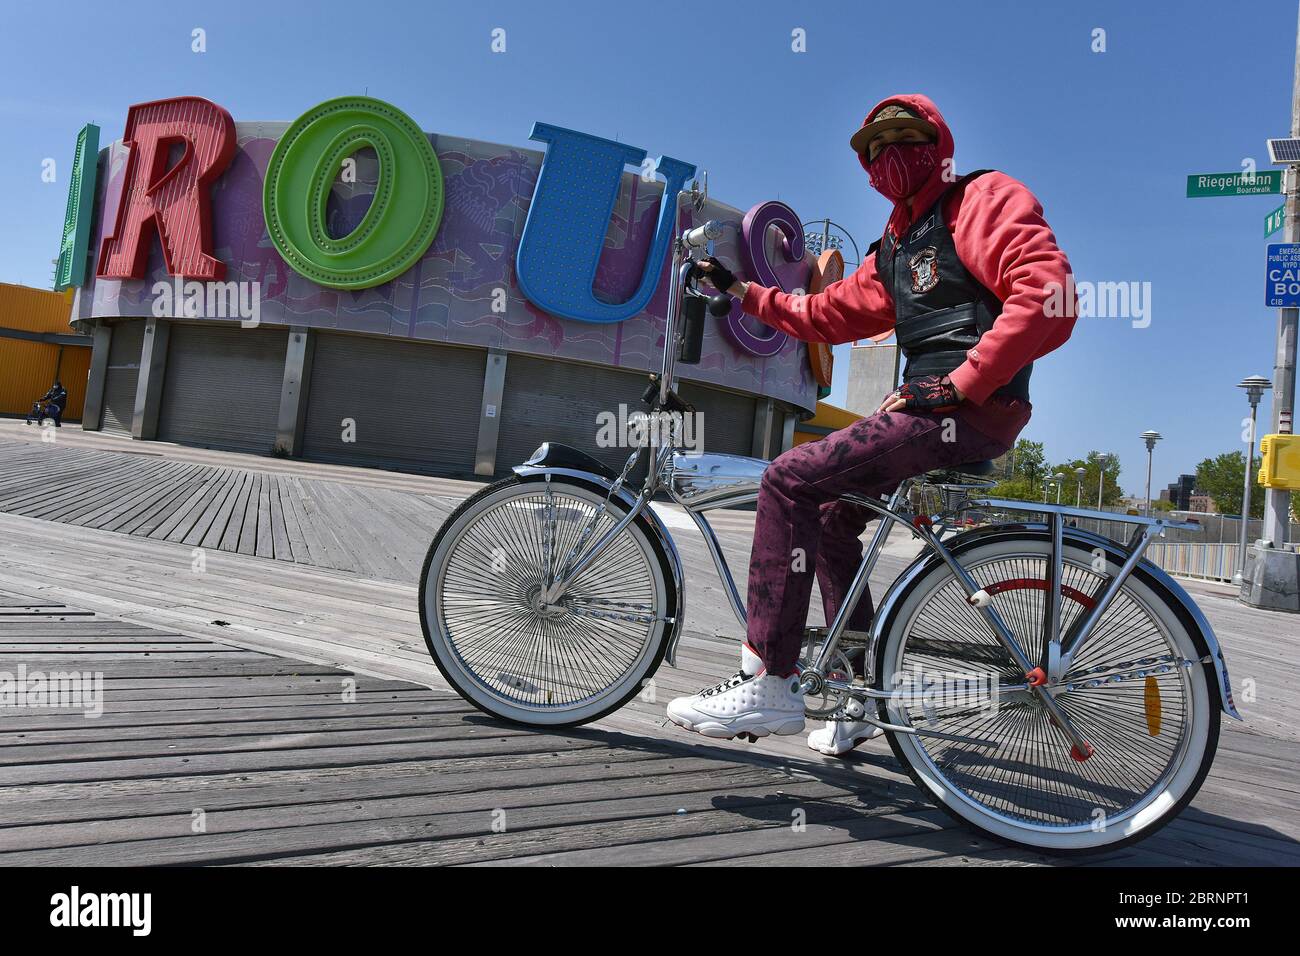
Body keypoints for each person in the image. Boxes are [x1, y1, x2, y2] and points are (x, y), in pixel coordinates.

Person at [666, 94, 1076, 756]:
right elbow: (826, 314)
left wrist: (964, 381)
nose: (888, 156)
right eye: (873, 148)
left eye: (904, 139)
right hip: (930, 409)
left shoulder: (982, 200)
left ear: (937, 141)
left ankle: (769, 681)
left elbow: (1050, 297)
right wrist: (742, 291)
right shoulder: (899, 242)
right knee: (829, 519)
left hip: (964, 412)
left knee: (788, 478)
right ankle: (859, 693)